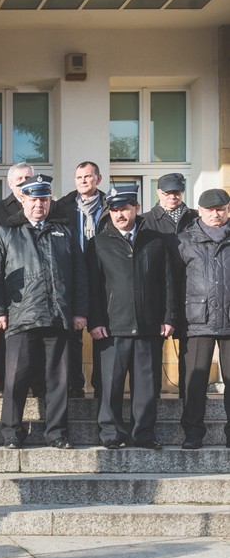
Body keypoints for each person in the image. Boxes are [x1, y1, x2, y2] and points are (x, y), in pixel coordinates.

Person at [0, 174, 88, 449]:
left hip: (58, 316)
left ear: (49, 201)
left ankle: (57, 433)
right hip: (21, 316)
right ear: (23, 200)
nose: (38, 205)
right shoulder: (6, 232)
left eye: (43, 199)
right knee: (15, 379)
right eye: (33, 199)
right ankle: (11, 432)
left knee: (58, 380)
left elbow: (79, 273)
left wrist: (80, 311)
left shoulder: (64, 231)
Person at [86, 187, 174, 450]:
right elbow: (92, 288)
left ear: (136, 208)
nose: (119, 215)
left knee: (146, 386)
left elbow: (167, 282)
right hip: (112, 327)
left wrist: (169, 316)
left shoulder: (156, 241)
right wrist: (95, 321)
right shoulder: (98, 243)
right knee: (110, 384)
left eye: (124, 209)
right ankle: (111, 433)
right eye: (114, 210)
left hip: (149, 326)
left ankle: (143, 434)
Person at [0, 163, 46, 400]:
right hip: (14, 285)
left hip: (41, 285)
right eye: (19, 179)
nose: (24, 182)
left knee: (40, 342)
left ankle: (40, 387)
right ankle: (6, 386)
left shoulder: (47, 206)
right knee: (9, 340)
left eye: (28, 177)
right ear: (10, 184)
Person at [176, 188, 230, 450]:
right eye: (210, 210)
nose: (215, 214)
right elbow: (174, 283)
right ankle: (193, 433)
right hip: (197, 321)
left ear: (228, 210)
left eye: (221, 209)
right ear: (200, 211)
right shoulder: (184, 241)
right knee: (195, 382)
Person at [55, 161, 107, 399]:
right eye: (79, 177)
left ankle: (100, 387)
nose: (83, 181)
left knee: (102, 332)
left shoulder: (110, 205)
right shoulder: (62, 207)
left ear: (98, 178)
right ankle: (75, 386)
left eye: (88, 176)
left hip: (103, 276)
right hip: (72, 275)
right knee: (72, 334)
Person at [147, 172, 197, 400]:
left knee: (190, 350)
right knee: (152, 350)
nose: (172, 197)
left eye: (176, 192)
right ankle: (152, 400)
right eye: (167, 193)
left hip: (191, 292)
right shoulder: (146, 220)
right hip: (157, 293)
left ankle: (190, 399)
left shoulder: (196, 218)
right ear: (158, 192)